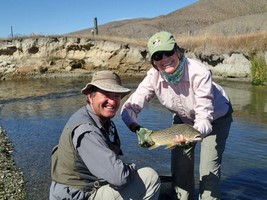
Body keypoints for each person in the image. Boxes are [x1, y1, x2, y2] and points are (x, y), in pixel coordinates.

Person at [121, 31, 233, 200]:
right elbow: (129, 108)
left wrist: (191, 135)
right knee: (181, 168)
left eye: (168, 52)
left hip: (215, 118)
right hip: (182, 117)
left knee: (208, 170)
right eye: (158, 56)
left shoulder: (199, 73)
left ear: (177, 50)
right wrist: (137, 129)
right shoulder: (153, 77)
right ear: (153, 62)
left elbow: (204, 119)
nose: (164, 59)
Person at [49, 70, 161, 200]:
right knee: (149, 177)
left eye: (116, 96)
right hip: (78, 195)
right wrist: (132, 169)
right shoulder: (87, 131)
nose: (112, 102)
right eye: (106, 94)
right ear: (91, 97)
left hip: (76, 190)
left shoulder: (94, 117)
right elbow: (119, 178)